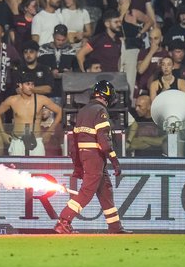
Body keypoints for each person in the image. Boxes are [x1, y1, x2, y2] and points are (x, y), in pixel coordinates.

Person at [54, 80, 132, 234]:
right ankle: (64, 220)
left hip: (86, 156)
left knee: (105, 192)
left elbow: (74, 143)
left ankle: (115, 227)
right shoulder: (100, 111)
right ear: (108, 95)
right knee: (87, 191)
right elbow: (104, 140)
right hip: (95, 157)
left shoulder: (83, 111)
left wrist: (78, 165)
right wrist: (115, 162)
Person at [0, 72, 62, 156]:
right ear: (20, 85)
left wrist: (49, 132)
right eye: (27, 84)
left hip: (36, 140)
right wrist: (2, 133)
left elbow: (60, 111)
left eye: (32, 84)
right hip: (17, 141)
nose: (31, 87)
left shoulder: (41, 99)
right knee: (16, 168)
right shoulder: (12, 100)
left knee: (38, 168)